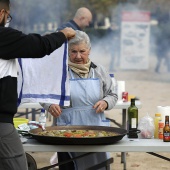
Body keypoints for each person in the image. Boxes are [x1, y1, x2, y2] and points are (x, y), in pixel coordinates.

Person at [0, 0, 75, 170]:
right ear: (1, 14)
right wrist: (62, 34)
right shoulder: (2, 36)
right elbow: (38, 46)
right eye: (8, 16)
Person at [41, 30, 118, 170]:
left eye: (82, 51)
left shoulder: (99, 70)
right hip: (66, 131)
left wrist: (105, 102)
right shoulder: (59, 71)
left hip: (96, 131)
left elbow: (112, 94)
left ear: (89, 51)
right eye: (73, 51)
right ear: (67, 51)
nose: (77, 56)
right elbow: (43, 93)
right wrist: (49, 105)